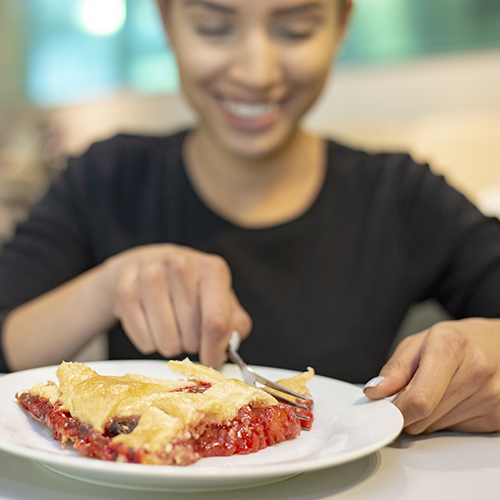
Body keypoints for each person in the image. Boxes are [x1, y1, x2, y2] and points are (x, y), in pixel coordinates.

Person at [1, 0, 500, 436]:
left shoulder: (400, 195)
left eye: (295, 30)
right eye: (214, 28)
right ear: (166, 20)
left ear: (341, 24)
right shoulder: (107, 176)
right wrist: (106, 288)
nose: (256, 71)